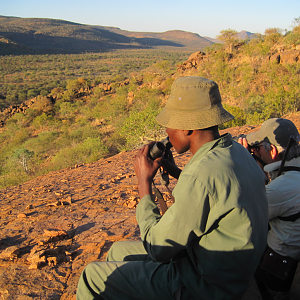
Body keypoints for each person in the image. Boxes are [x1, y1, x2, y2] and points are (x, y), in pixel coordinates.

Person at [76, 76, 268, 300]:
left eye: (170, 123)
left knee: (91, 276)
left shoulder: (201, 175)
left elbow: (157, 247)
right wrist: (175, 171)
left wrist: (144, 185)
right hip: (227, 271)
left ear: (187, 128)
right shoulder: (236, 151)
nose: (166, 132)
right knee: (118, 251)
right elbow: (214, 193)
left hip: (204, 285)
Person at [239, 118, 300, 299]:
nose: (254, 152)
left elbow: (242, 212)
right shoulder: (291, 177)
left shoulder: (280, 189)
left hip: (278, 270)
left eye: (256, 148)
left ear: (272, 151)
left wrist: (245, 164)